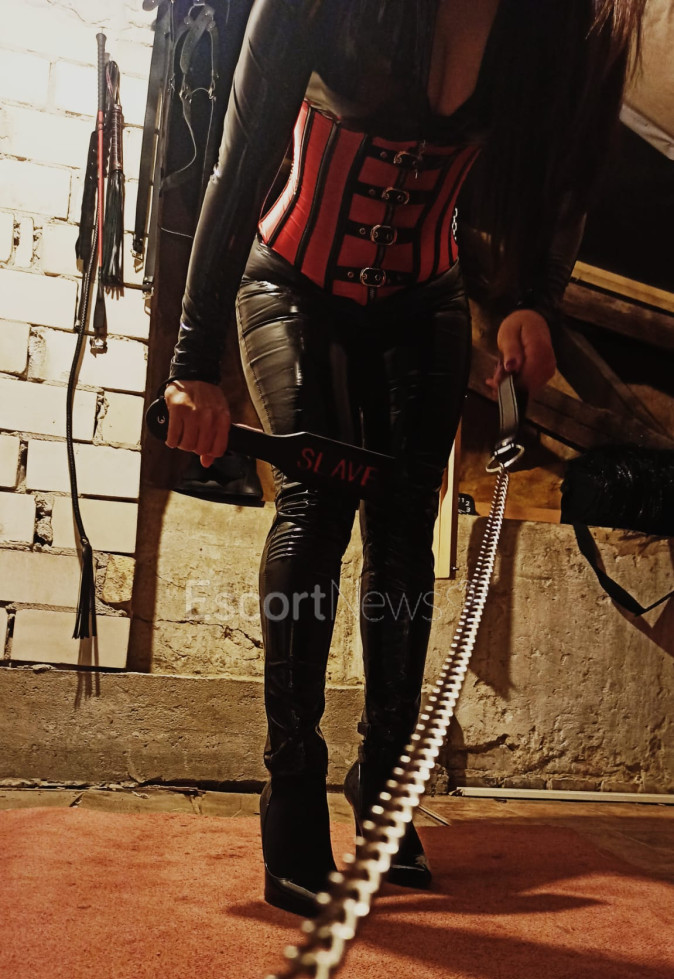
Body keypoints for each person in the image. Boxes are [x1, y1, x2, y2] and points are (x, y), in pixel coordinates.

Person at [160, 0, 646, 916]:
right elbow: (240, 160)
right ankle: (292, 782)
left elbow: (563, 178)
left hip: (425, 299)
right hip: (291, 282)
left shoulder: (554, 28)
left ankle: (384, 779)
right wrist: (191, 365)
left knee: (404, 537)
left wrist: (535, 299)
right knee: (315, 508)